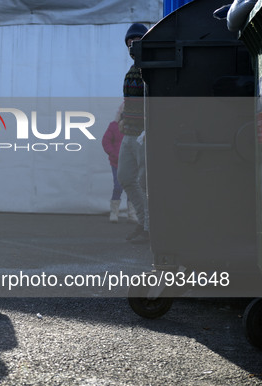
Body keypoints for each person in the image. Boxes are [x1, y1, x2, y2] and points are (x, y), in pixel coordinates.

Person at [117, 23, 150, 244]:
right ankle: (144, 221)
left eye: (137, 41)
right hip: (129, 133)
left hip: (144, 134)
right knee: (125, 177)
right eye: (129, 42)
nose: (132, 45)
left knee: (146, 182)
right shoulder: (132, 69)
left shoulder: (150, 67)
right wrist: (121, 117)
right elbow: (129, 100)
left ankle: (151, 227)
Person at [101, 105, 138, 224]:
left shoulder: (134, 128)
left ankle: (132, 213)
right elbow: (106, 141)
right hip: (116, 162)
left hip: (131, 163)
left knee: (131, 187)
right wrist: (112, 153)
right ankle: (114, 213)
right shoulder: (113, 126)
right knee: (118, 187)